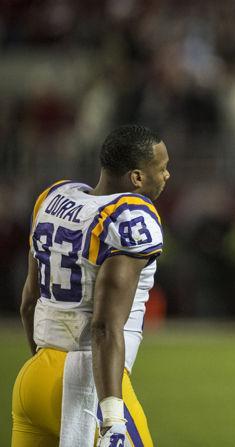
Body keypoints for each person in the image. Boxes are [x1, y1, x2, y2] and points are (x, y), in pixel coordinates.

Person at [12, 125, 170, 447]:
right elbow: (104, 327)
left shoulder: (53, 198)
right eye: (162, 168)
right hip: (83, 385)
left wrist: (44, 363)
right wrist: (112, 416)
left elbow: (29, 301)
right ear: (137, 177)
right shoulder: (130, 217)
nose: (167, 175)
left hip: (33, 379)